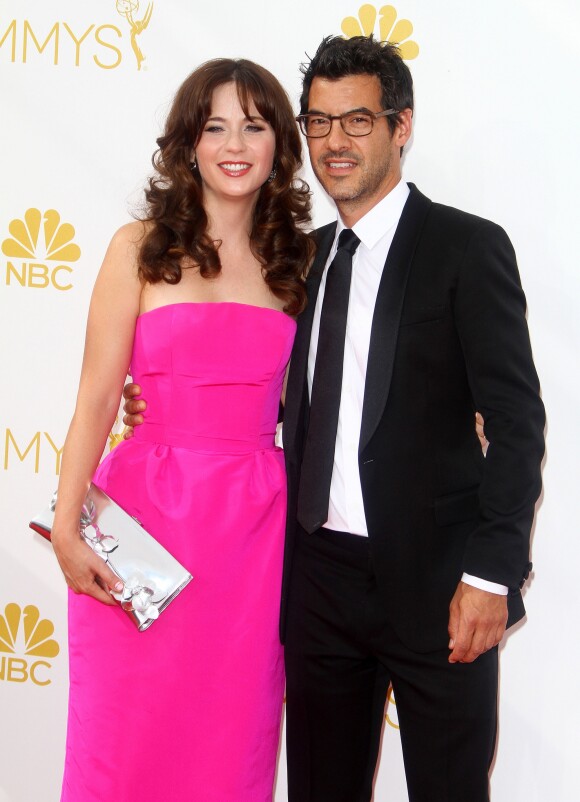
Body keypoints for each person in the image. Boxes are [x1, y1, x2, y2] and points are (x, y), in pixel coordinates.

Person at [278, 36, 545, 802]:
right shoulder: (299, 259)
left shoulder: (466, 247)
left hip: (440, 587)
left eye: (357, 121)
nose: (335, 142)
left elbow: (518, 423)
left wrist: (490, 575)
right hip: (319, 583)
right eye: (319, 123)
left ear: (402, 126)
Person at [50, 58, 313, 802]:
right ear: (188, 143)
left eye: (255, 126)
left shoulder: (300, 262)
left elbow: (325, 400)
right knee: (124, 738)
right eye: (215, 125)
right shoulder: (137, 248)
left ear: (277, 145)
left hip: (253, 544)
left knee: (230, 743)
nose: (235, 143)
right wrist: (67, 527)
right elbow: (97, 399)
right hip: (141, 532)